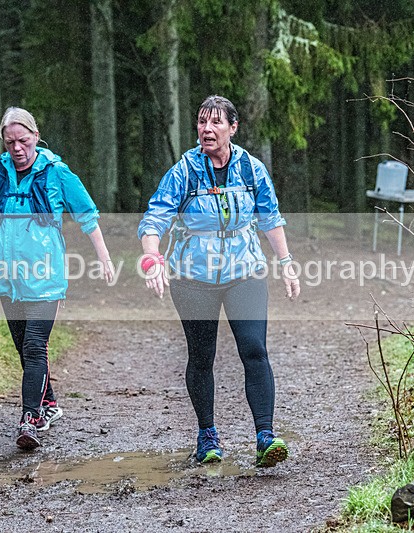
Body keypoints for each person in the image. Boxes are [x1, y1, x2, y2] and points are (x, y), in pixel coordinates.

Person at [137, 95, 300, 467]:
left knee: (254, 349)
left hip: (245, 271)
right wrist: (152, 258)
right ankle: (207, 435)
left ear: (232, 128)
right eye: (201, 122)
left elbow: (270, 217)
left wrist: (286, 262)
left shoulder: (251, 169)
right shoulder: (184, 171)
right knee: (201, 355)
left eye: (215, 123)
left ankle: (265, 436)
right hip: (193, 276)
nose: (206, 129)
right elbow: (154, 219)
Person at [0, 106, 114, 451]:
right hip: (5, 276)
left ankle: (29, 418)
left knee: (34, 346)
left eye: (23, 140)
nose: (17, 148)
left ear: (35, 136)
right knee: (24, 349)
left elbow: (87, 216)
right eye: (10, 142)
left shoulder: (56, 173)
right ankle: (48, 404)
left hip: (45, 278)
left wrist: (104, 258)